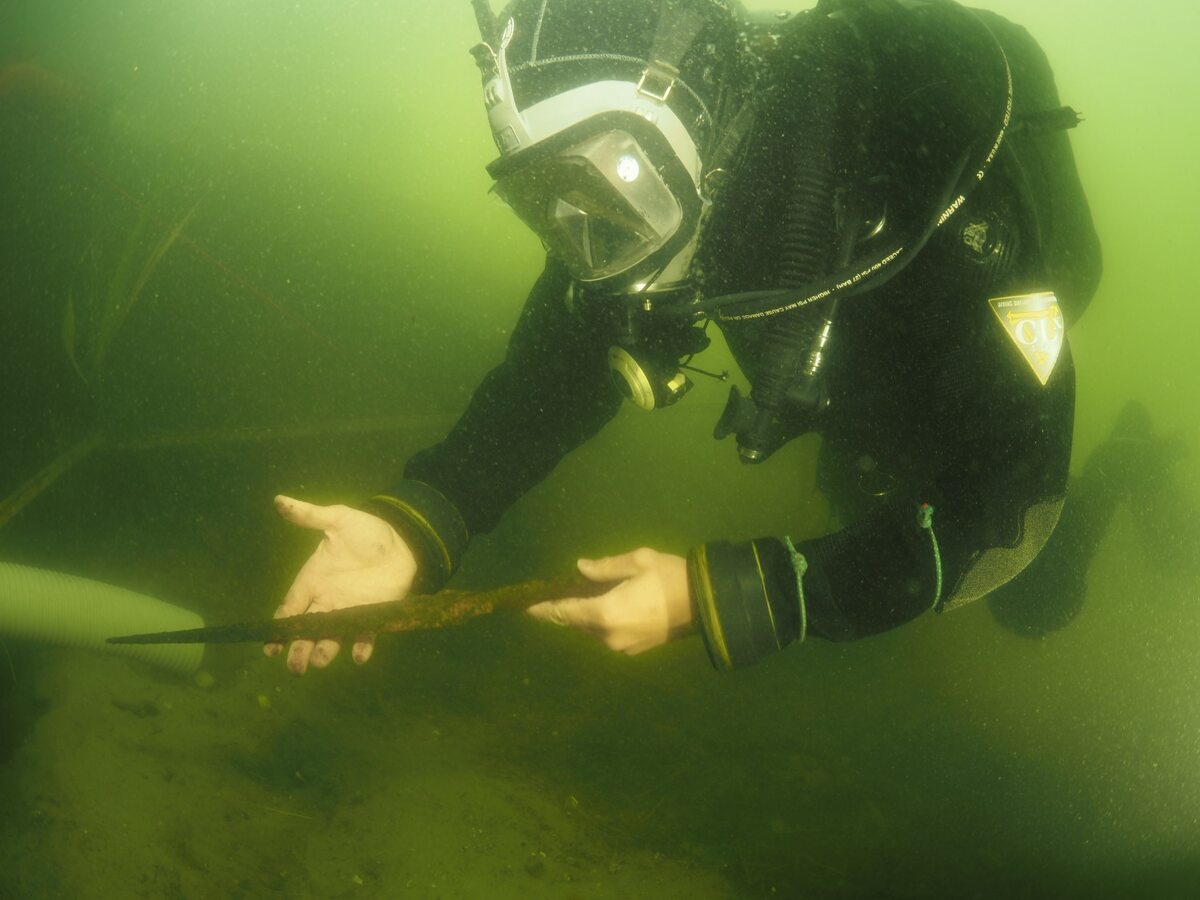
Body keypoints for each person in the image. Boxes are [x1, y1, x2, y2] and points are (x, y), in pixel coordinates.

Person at [266, 0, 1104, 675]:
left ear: (691, 132)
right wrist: (421, 519)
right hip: (844, 383)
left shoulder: (937, 210)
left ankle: (1124, 469)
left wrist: (729, 597)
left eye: (608, 185)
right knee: (861, 499)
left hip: (960, 363)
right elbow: (553, 376)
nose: (593, 248)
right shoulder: (640, 214)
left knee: (1030, 605)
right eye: (548, 196)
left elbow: (1010, 510)